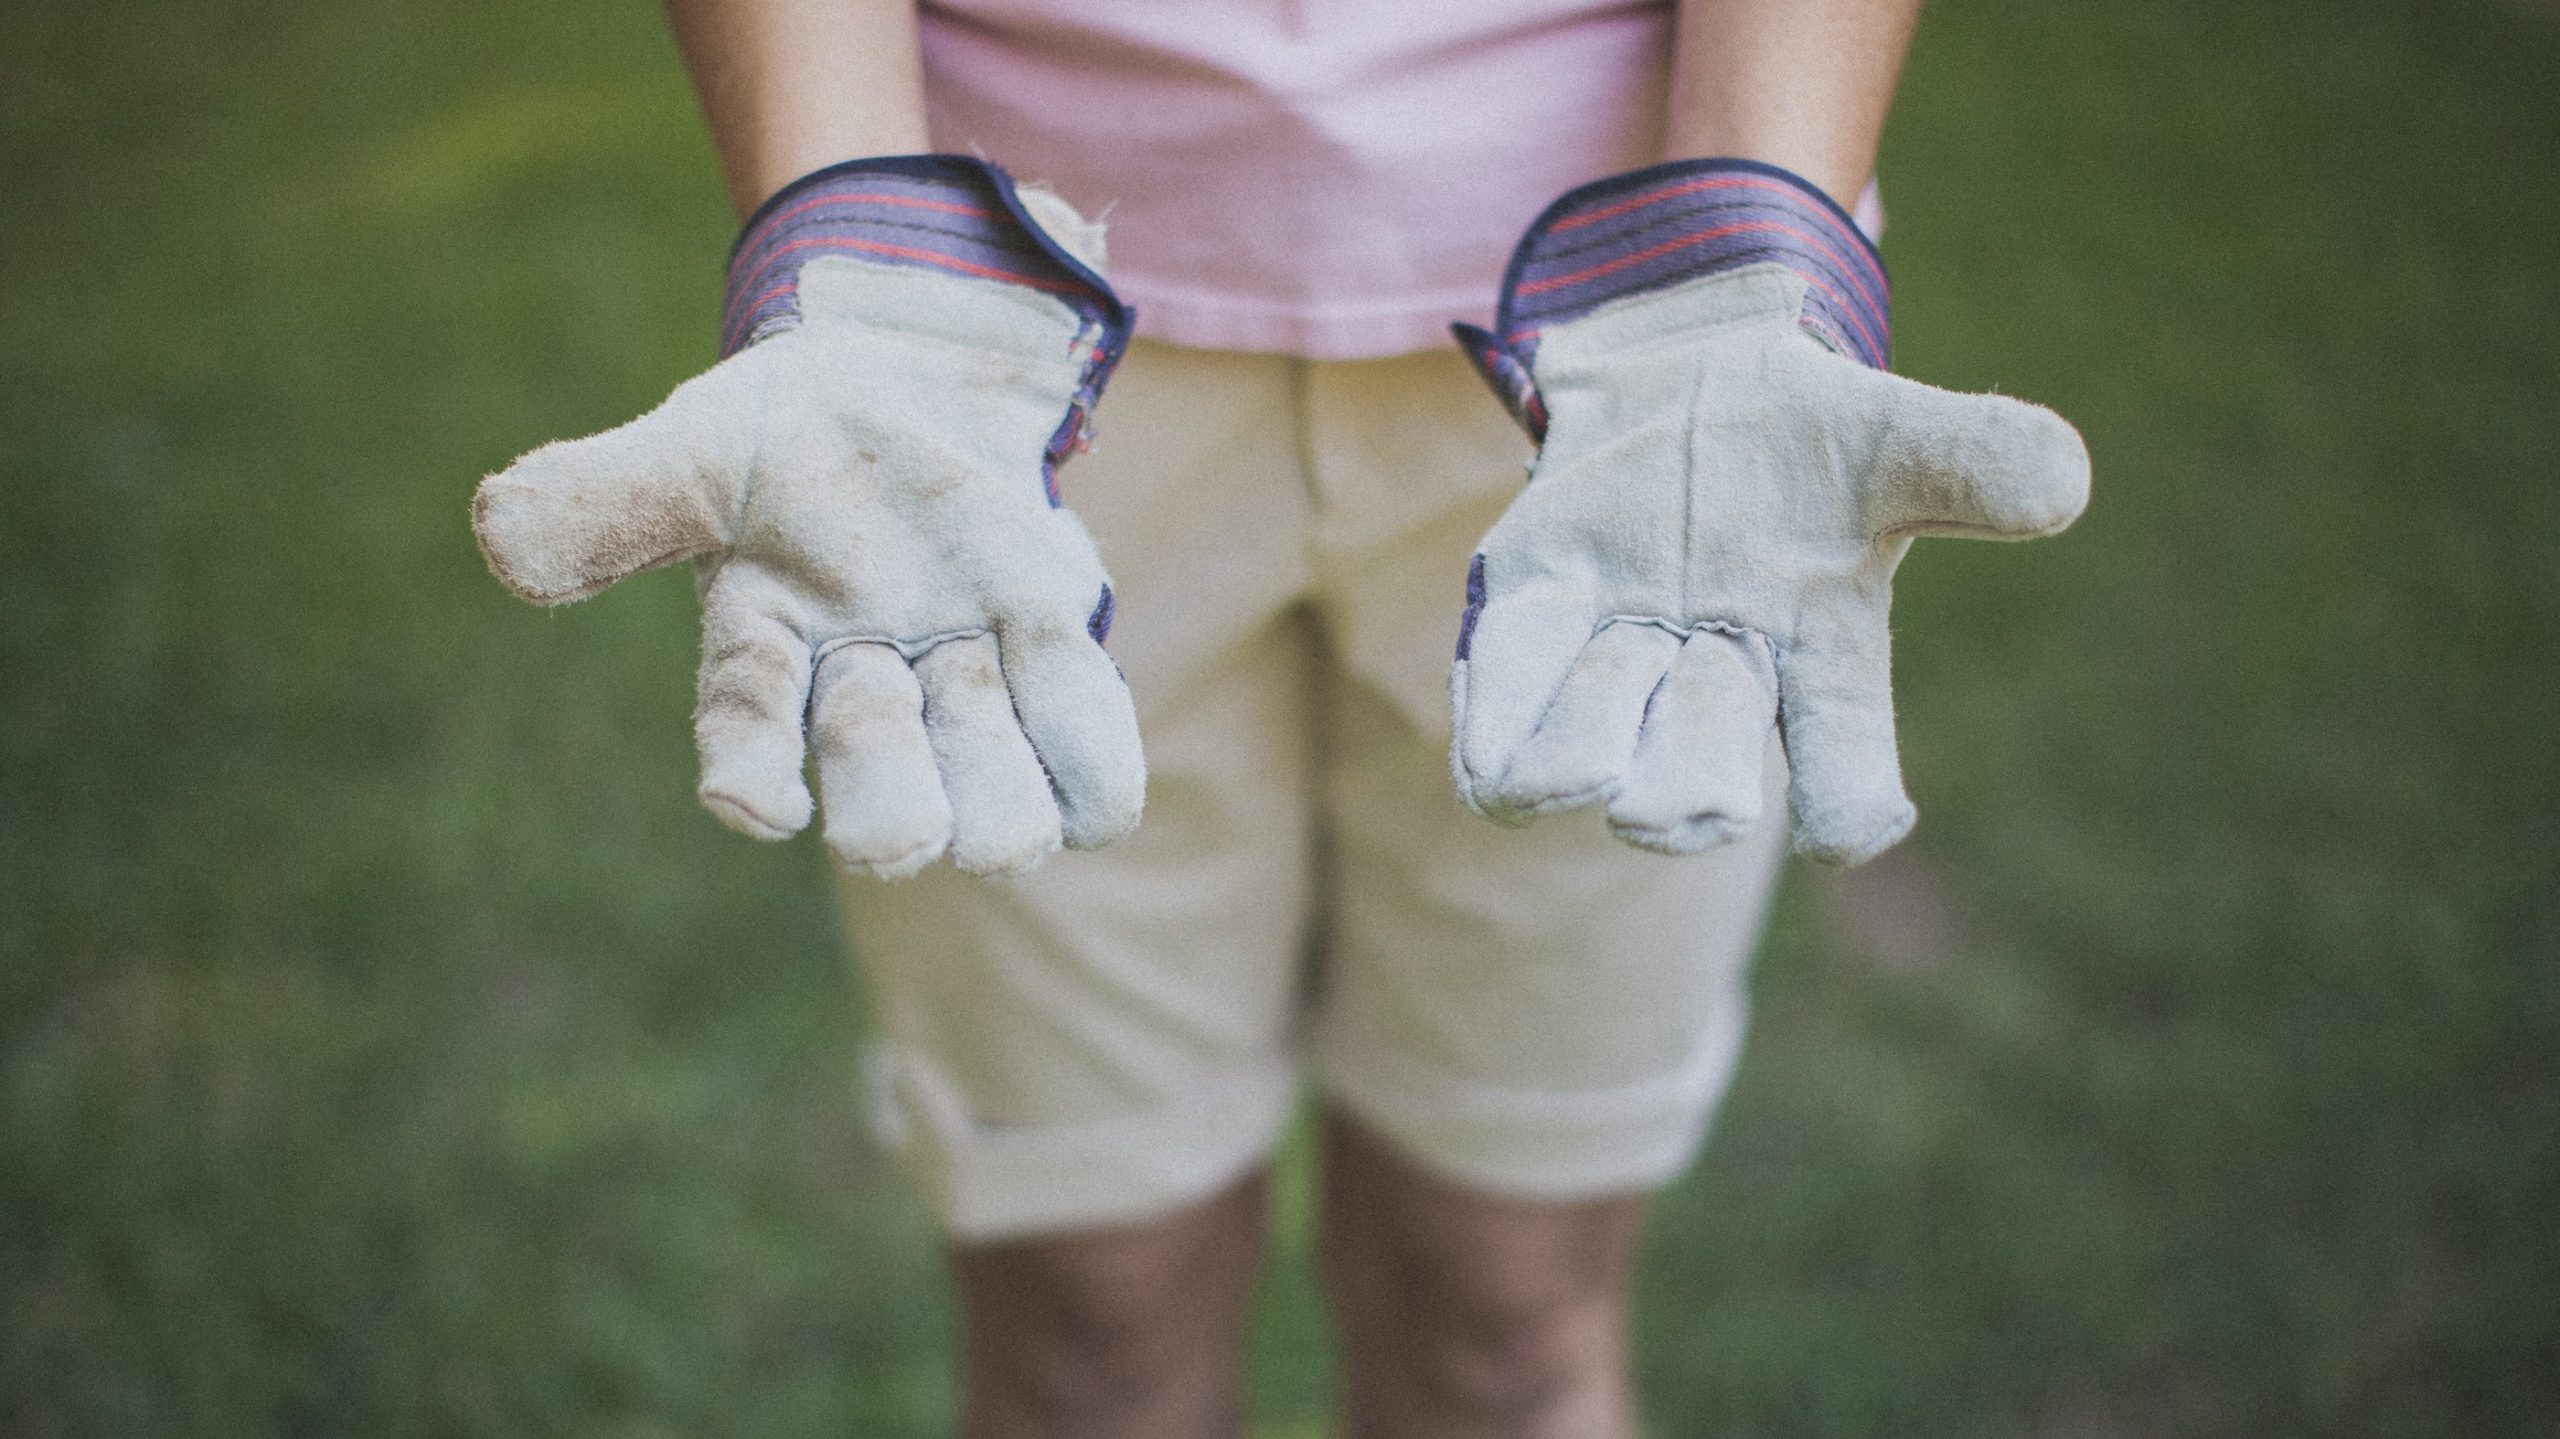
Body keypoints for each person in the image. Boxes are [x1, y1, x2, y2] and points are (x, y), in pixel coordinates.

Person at [468, 0, 2090, 1433]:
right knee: (1091, 1316)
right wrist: (850, 238)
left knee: (1508, 1312)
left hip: (1648, 359)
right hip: (980, 342)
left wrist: (1749, 241)